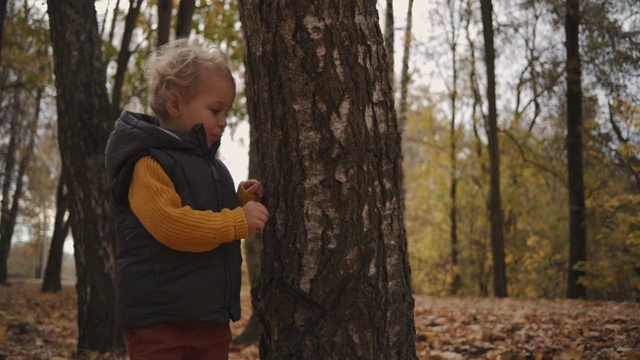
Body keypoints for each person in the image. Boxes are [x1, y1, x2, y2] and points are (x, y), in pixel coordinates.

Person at [105, 38, 269, 360]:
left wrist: (239, 200)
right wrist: (238, 220)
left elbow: (210, 218)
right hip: (160, 324)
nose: (224, 121)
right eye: (215, 110)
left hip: (209, 320)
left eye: (227, 112)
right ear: (176, 104)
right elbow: (172, 225)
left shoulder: (213, 167)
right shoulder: (148, 163)